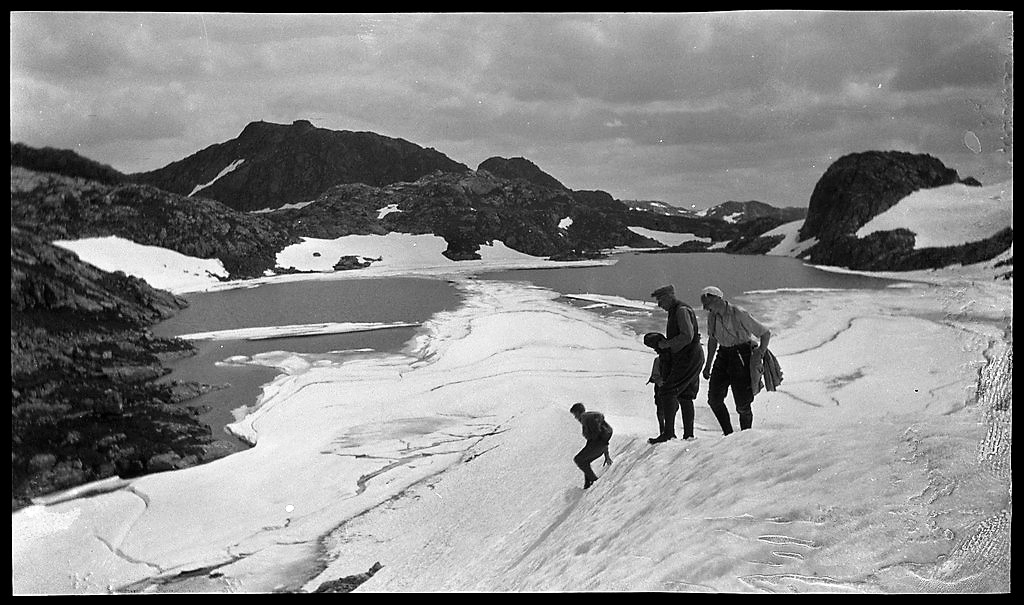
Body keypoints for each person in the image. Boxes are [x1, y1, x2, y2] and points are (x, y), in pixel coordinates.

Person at [700, 285, 771, 435]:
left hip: (741, 355)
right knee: (714, 399)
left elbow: (765, 333)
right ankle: (729, 435)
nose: (705, 308)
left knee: (743, 404)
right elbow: (713, 340)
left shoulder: (738, 313)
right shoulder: (712, 316)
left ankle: (745, 437)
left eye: (707, 304)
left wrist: (760, 353)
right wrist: (708, 365)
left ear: (717, 299)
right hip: (723, 355)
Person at [648, 285, 705, 443]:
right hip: (691, 356)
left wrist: (667, 344)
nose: (659, 305)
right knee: (685, 396)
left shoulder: (680, 310)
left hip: (689, 356)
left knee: (667, 391)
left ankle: (669, 433)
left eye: (660, 300)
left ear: (669, 297)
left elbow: (687, 336)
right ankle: (688, 435)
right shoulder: (677, 310)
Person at [569, 403, 613, 489]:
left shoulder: (586, 418)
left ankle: (594, 481)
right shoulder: (588, 418)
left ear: (578, 412)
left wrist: (605, 451)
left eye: (575, 415)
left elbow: (597, 435)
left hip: (598, 445)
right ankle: (588, 483)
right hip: (600, 446)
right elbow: (601, 435)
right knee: (584, 460)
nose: (575, 418)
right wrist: (606, 455)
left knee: (579, 460)